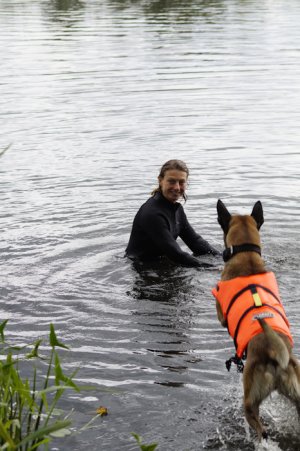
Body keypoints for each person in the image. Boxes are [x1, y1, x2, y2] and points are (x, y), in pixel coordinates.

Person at [125, 159, 219, 267]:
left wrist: (224, 257)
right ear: (160, 180)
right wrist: (216, 268)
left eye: (181, 182)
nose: (177, 187)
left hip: (160, 265)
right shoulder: (152, 213)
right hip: (142, 269)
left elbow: (195, 242)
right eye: (172, 181)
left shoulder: (177, 209)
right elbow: (177, 255)